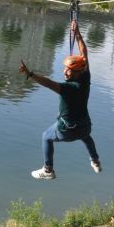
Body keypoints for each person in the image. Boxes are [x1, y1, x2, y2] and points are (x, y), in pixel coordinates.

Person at [19, 19, 101, 180]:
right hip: (85, 126)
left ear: (77, 72)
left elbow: (49, 84)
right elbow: (84, 54)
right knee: (86, 136)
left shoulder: (69, 89)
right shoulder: (85, 77)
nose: (65, 72)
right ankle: (95, 161)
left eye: (69, 70)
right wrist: (77, 33)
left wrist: (30, 74)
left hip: (67, 131)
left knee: (46, 137)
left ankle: (48, 170)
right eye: (65, 68)